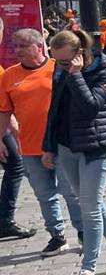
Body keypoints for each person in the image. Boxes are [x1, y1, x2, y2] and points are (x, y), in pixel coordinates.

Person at [42, 29, 106, 275]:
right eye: (57, 61)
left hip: (95, 147)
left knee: (89, 208)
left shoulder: (104, 69)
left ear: (80, 53)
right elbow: (55, 110)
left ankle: (87, 269)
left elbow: (91, 106)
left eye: (66, 61)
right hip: (67, 145)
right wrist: (49, 146)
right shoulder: (62, 69)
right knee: (89, 202)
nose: (61, 65)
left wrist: (75, 75)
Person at [0, 28, 80, 255]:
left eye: (23, 46)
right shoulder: (9, 76)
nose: (18, 51)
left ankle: (83, 231)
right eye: (15, 46)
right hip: (30, 146)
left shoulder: (57, 68)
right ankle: (57, 235)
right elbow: (4, 112)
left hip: (62, 144)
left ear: (38, 46)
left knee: (71, 191)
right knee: (44, 195)